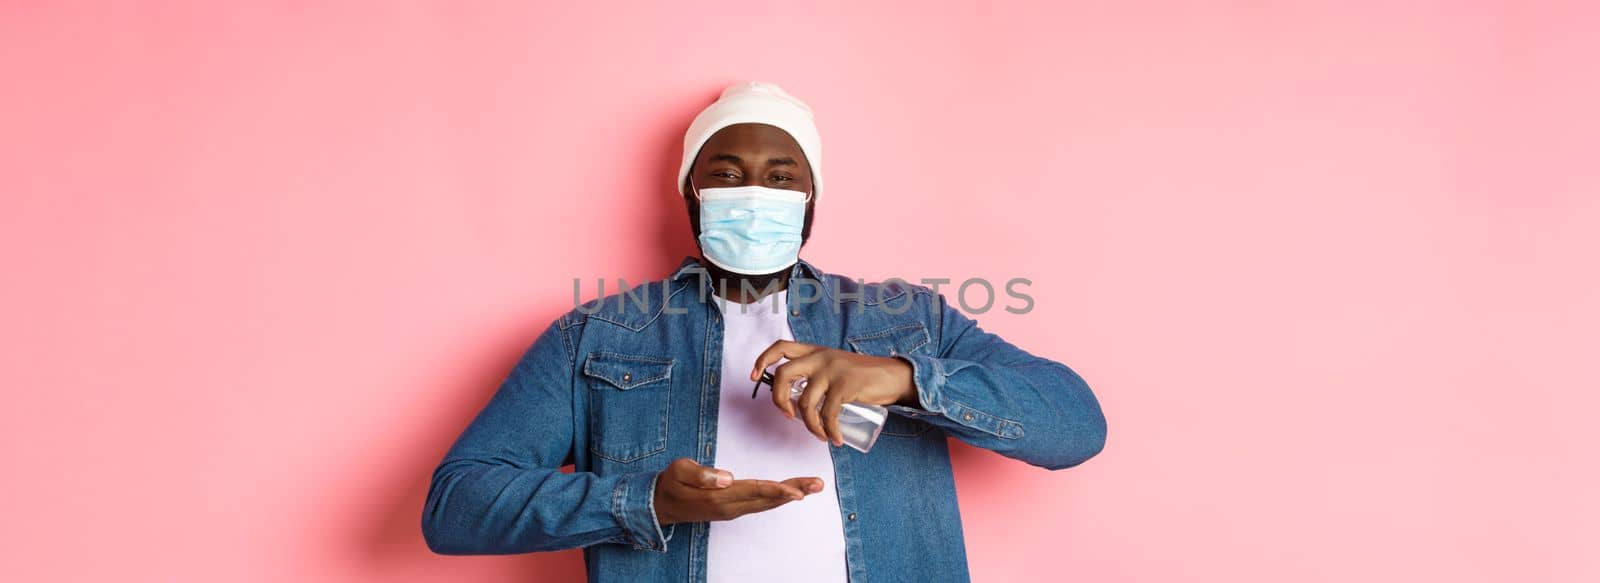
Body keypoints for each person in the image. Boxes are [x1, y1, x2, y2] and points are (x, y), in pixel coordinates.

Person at [421, 82, 1107, 582]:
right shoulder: (599, 333)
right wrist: (646, 499)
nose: (754, 194)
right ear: (692, 195)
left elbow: (1075, 423)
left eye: (781, 178)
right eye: (727, 174)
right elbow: (456, 504)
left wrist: (905, 376)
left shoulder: (907, 319)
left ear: (810, 201)